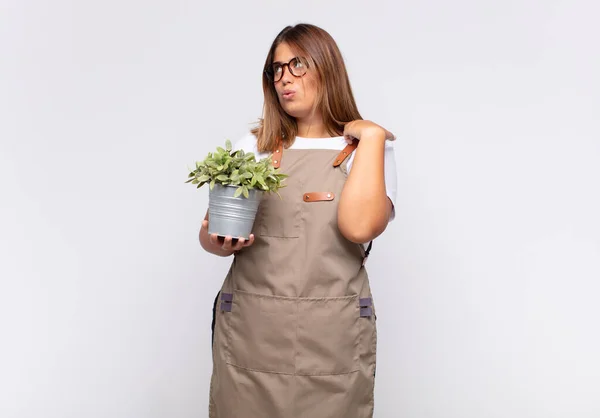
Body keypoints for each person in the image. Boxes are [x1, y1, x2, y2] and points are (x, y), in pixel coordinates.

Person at [199, 23, 397, 418]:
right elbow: (209, 233)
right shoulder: (253, 148)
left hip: (331, 335)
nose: (284, 78)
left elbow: (360, 228)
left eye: (297, 64)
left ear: (326, 67)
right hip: (252, 331)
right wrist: (217, 241)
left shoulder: (366, 150)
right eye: (276, 69)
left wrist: (371, 137)